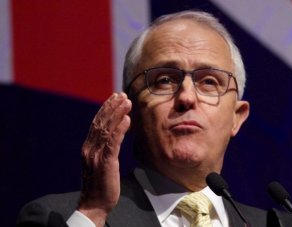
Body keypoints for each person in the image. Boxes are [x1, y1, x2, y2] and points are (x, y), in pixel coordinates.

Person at [17, 10, 268, 227]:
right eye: (165, 80)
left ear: (237, 117)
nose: (187, 97)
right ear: (130, 110)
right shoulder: (58, 217)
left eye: (209, 82)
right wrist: (93, 213)